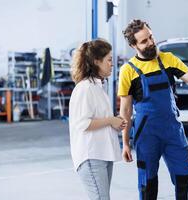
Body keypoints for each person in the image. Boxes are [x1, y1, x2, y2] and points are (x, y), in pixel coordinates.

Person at [118, 19, 188, 200]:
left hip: (172, 132)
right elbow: (126, 111)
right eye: (144, 41)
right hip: (147, 135)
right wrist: (126, 143)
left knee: (185, 178)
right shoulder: (127, 71)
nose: (151, 42)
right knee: (148, 184)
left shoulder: (168, 59)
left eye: (151, 37)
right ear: (133, 45)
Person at [69, 39, 127, 200]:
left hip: (102, 154)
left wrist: (115, 123)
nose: (112, 64)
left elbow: (99, 119)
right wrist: (110, 120)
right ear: (96, 62)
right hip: (91, 156)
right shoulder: (85, 88)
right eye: (108, 60)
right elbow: (83, 123)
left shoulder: (97, 87)